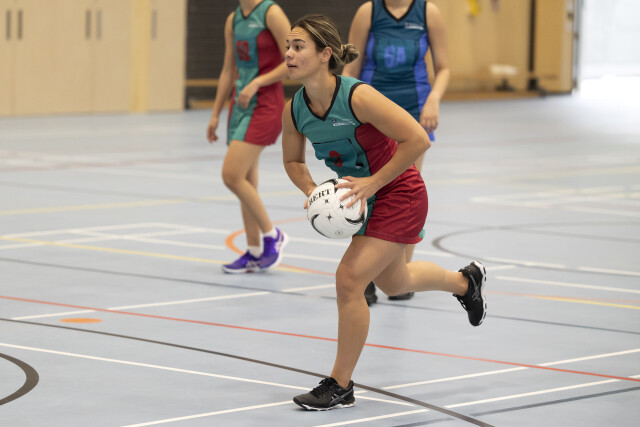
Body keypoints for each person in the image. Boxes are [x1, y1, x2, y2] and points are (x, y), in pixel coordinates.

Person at [281, 14, 486, 411]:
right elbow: (293, 161)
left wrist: (373, 182)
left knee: (349, 279)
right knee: (396, 282)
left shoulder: (357, 97)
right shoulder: (295, 110)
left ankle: (340, 384)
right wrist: (313, 192)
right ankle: (467, 283)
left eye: (298, 46)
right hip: (362, 199)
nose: (288, 53)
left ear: (325, 54)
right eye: (288, 46)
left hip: (399, 192)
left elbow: (418, 139)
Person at [342, 0, 450, 304]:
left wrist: (434, 99)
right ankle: (365, 274)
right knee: (368, 191)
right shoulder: (368, 12)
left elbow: (444, 68)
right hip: (371, 114)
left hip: (414, 113)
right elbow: (352, 67)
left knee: (406, 191)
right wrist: (344, 106)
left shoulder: (428, 13)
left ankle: (400, 271)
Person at [207, 0, 290, 273]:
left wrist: (257, 81)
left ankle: (273, 235)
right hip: (240, 105)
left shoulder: (271, 13)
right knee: (246, 180)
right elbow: (228, 69)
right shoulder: (233, 20)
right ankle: (254, 251)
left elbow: (293, 61)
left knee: (231, 175)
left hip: (265, 104)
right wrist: (216, 113)